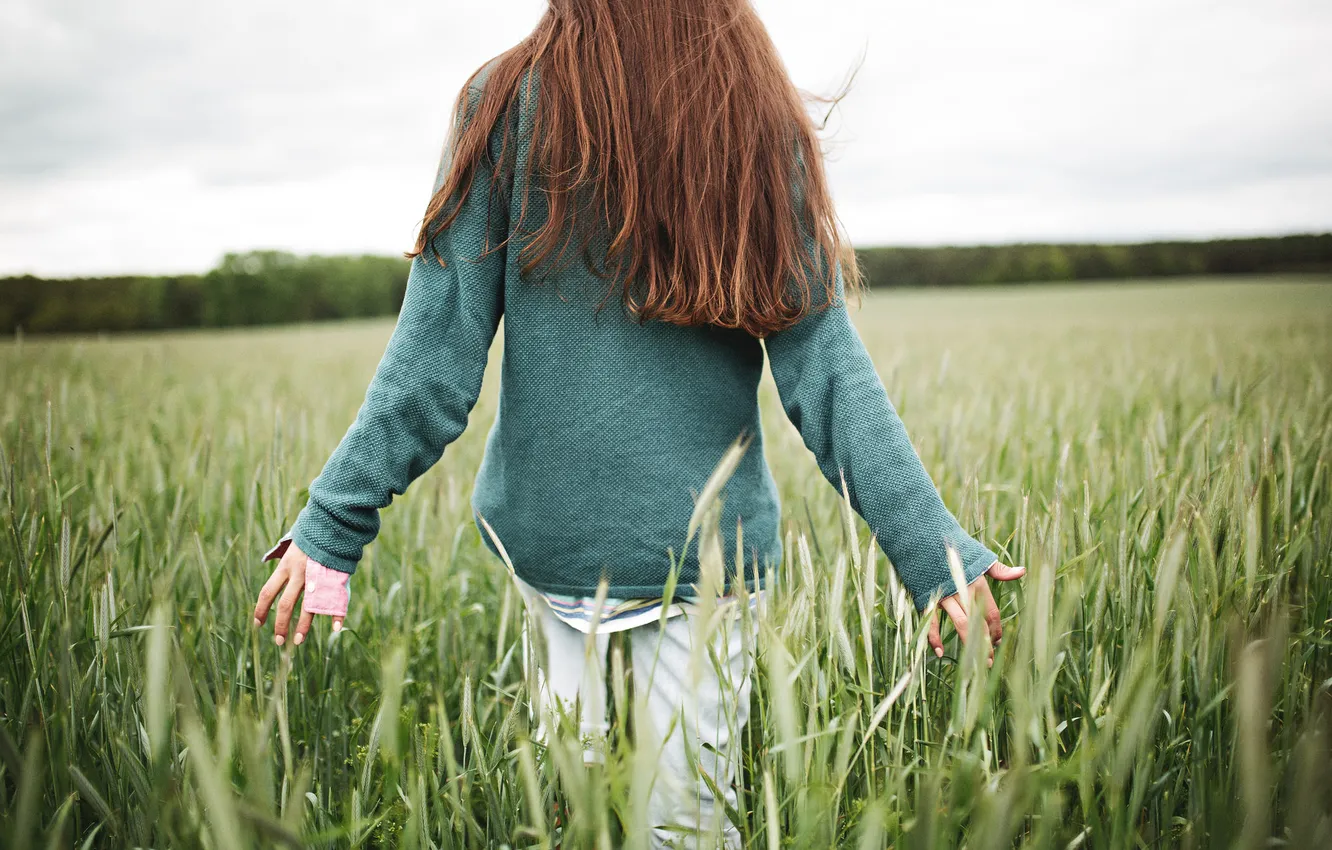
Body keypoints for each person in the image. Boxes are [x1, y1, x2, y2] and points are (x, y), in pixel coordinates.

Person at [252, 0, 1024, 845]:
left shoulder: (504, 101)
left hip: (561, 553)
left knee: (567, 822)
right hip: (696, 565)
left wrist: (333, 524)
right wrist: (935, 551)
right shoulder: (749, 110)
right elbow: (827, 367)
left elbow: (434, 358)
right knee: (689, 828)